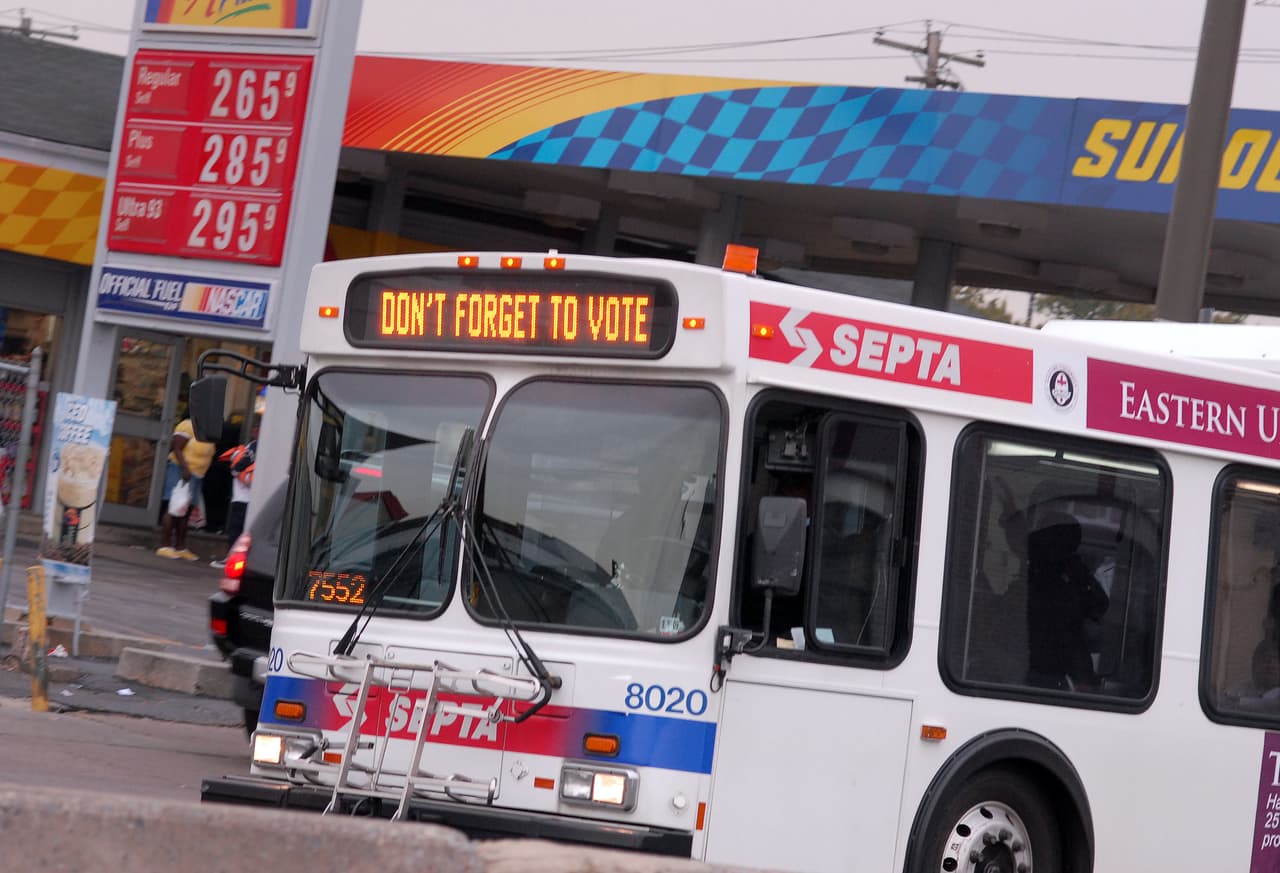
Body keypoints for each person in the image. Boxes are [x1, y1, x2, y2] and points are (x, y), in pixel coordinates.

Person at [1024, 511, 1110, 691]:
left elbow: (1100, 606)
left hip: (1061, 672)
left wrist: (1080, 574)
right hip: (1033, 666)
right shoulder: (1032, 577)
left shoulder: (1073, 577)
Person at [157, 416, 216, 561]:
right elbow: (176, 447)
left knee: (187, 511)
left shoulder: (208, 432)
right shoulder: (187, 425)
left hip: (197, 475)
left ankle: (180, 547)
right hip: (181, 471)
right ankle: (165, 546)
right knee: (174, 507)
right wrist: (185, 469)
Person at [210, 422, 257, 569]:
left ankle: (232, 560)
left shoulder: (253, 447)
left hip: (243, 497)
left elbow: (237, 468)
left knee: (236, 530)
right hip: (248, 497)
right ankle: (237, 561)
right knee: (242, 530)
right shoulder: (258, 447)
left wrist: (237, 469)